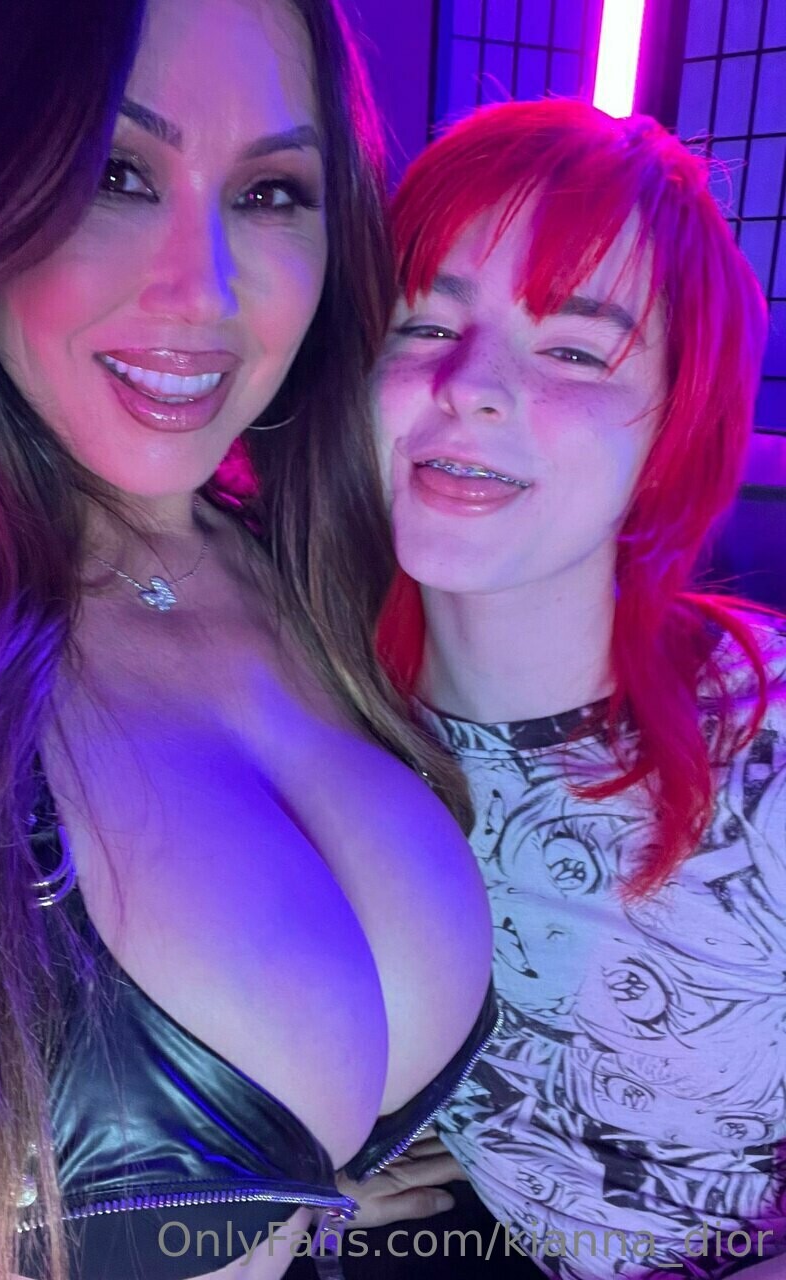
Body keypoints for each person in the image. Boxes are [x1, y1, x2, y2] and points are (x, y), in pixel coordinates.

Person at [0, 3, 497, 1279]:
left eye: (271, 192)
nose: (204, 292)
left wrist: (305, 1186)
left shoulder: (315, 575)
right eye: (115, 174)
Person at [371, 98, 786, 1278]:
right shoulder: (313, 705)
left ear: (672, 431)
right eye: (424, 321)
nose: (470, 383)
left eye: (573, 350)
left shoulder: (766, 741)